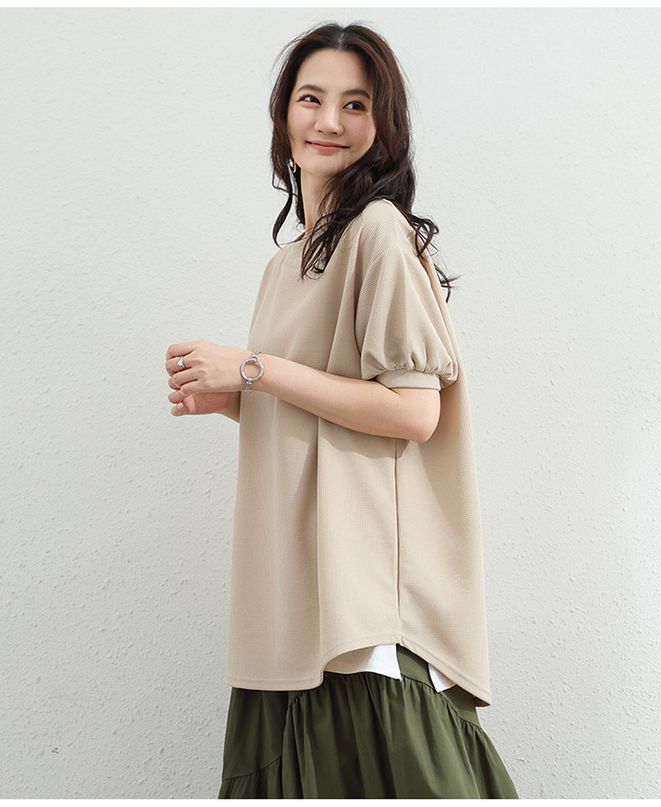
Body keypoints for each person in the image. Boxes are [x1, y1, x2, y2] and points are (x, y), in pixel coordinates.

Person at [165, 21, 520, 800]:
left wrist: (255, 368)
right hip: (289, 599)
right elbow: (325, 407)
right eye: (311, 99)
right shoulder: (284, 265)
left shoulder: (378, 233)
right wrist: (238, 399)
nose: (329, 121)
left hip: (358, 601)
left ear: (383, 126)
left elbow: (413, 412)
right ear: (282, 115)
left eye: (355, 104)